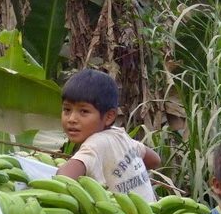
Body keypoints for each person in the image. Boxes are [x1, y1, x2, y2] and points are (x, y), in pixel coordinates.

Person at [56, 69, 161, 201]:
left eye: (84, 111)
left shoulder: (95, 144)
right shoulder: (119, 135)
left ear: (109, 116)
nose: (72, 119)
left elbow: (63, 179)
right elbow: (155, 160)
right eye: (67, 109)